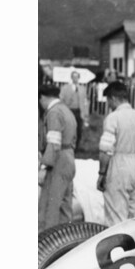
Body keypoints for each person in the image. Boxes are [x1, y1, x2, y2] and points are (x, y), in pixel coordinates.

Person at [96, 81, 135, 226]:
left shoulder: (113, 118)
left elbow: (105, 150)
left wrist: (102, 174)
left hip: (119, 165)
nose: (109, 104)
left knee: (116, 217)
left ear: (114, 98)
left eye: (109, 100)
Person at [38, 81, 77, 232]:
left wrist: (44, 167)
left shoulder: (53, 112)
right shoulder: (67, 111)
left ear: (42, 97)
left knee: (50, 206)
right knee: (65, 206)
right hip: (69, 156)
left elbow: (53, 143)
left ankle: (48, 247)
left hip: (58, 159)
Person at [59, 70, 89, 151]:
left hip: (79, 111)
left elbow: (85, 102)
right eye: (74, 76)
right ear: (71, 77)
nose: (75, 78)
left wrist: (86, 114)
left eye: (77, 76)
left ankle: (76, 147)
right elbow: (61, 99)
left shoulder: (82, 88)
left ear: (79, 78)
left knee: (79, 129)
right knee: (69, 129)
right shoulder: (65, 88)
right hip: (69, 110)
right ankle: (68, 146)